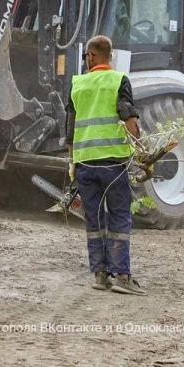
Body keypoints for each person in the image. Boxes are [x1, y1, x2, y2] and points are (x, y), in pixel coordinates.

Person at [65, 35, 146, 295]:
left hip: (86, 164)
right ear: (108, 56)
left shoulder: (77, 84)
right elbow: (128, 116)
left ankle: (100, 275)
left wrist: (73, 162)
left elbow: (70, 129)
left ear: (90, 55)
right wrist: (142, 149)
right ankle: (122, 276)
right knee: (120, 217)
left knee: (94, 220)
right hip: (112, 164)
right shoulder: (118, 80)